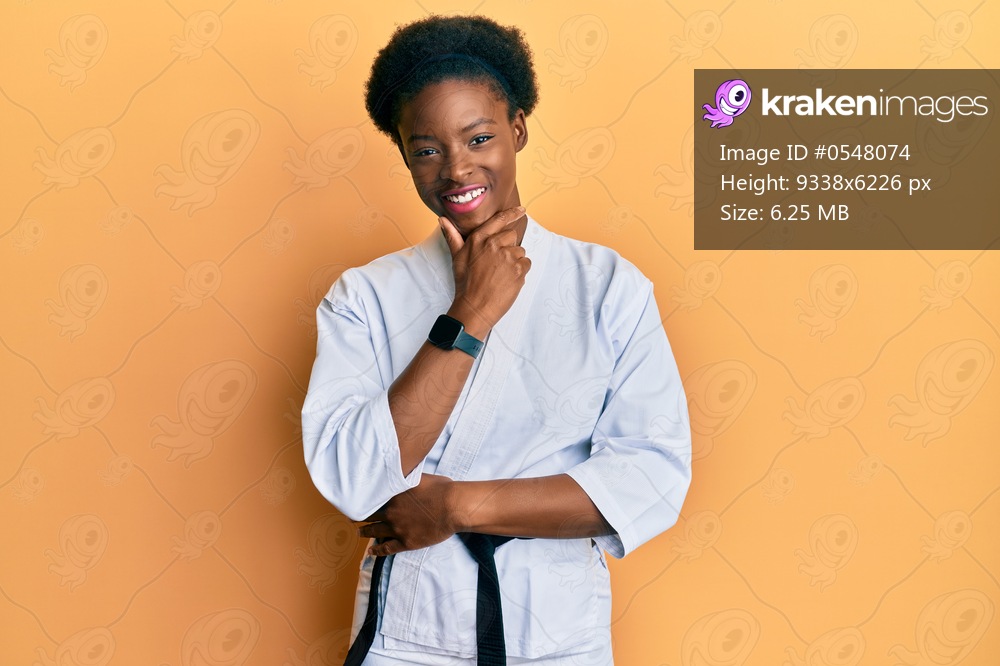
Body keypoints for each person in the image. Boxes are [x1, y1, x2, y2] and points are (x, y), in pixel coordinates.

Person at [301, 15, 692, 666]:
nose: (457, 169)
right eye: (426, 148)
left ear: (517, 128)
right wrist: (471, 313)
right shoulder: (362, 298)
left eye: (478, 136)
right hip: (409, 634)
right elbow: (354, 477)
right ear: (403, 153)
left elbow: (652, 478)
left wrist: (454, 506)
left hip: (560, 631)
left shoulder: (609, 287)